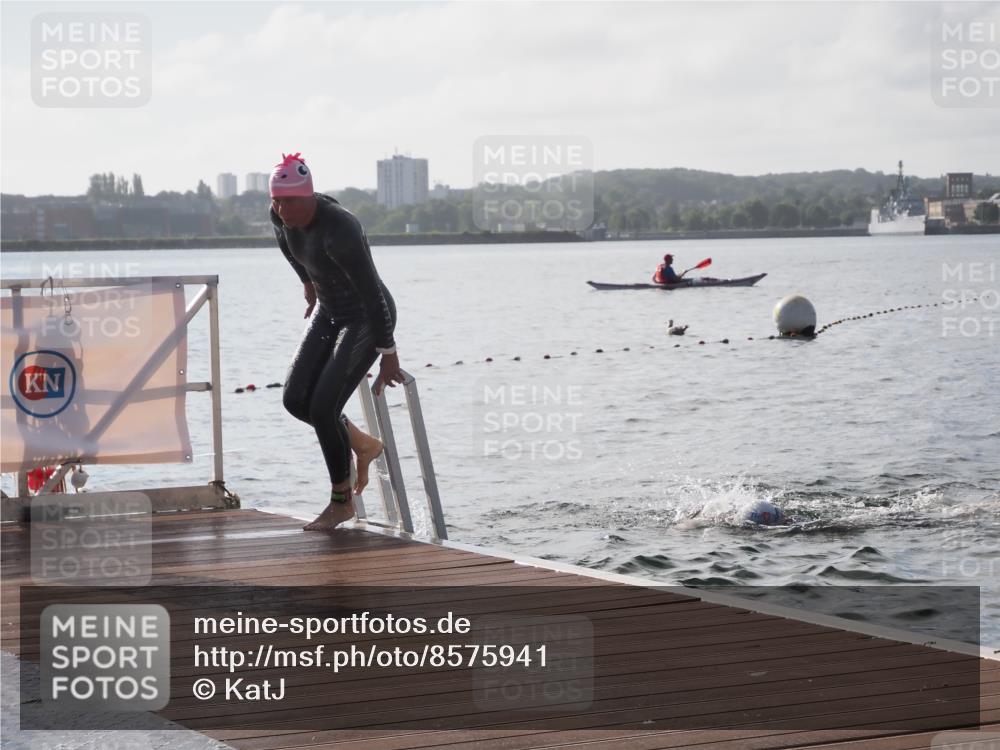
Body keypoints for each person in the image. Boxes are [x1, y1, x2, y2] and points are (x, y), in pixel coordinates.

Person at [269, 152, 404, 531]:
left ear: (309, 196)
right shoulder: (278, 216)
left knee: (324, 406)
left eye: (289, 202)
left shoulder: (341, 228)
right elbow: (288, 248)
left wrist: (388, 355)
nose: (281, 210)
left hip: (365, 315)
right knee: (296, 400)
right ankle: (363, 444)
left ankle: (341, 502)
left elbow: (373, 295)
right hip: (329, 310)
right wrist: (308, 284)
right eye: (276, 201)